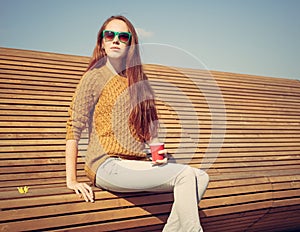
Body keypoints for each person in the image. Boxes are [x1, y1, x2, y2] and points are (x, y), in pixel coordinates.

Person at [65, 15, 209, 232]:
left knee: (201, 176)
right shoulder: (94, 76)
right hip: (106, 165)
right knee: (186, 175)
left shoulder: (138, 81)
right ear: (102, 42)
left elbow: (151, 131)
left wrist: (159, 157)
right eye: (109, 35)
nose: (115, 40)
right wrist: (72, 180)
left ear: (130, 44)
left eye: (123, 36)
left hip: (136, 163)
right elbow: (73, 127)